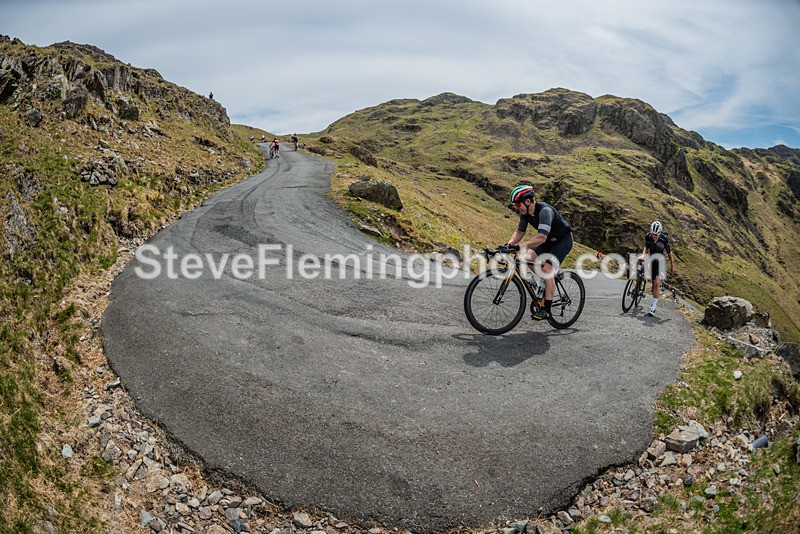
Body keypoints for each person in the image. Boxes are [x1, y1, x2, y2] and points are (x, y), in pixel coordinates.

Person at [505, 185, 574, 320]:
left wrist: (520, 247)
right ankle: (548, 280)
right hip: (548, 241)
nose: (517, 207)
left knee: (547, 270)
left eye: (518, 204)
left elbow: (541, 237)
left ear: (528, 201)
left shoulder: (545, 211)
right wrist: (508, 245)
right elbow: (520, 232)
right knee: (527, 258)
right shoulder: (525, 214)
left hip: (562, 241)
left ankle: (547, 309)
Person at [640, 220, 675, 316]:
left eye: (656, 234)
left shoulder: (664, 239)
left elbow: (669, 253)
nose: (654, 236)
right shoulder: (648, 237)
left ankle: (653, 307)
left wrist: (672, 265)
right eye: (653, 234)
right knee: (653, 283)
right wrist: (643, 255)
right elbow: (646, 247)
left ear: (660, 233)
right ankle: (654, 292)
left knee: (657, 283)